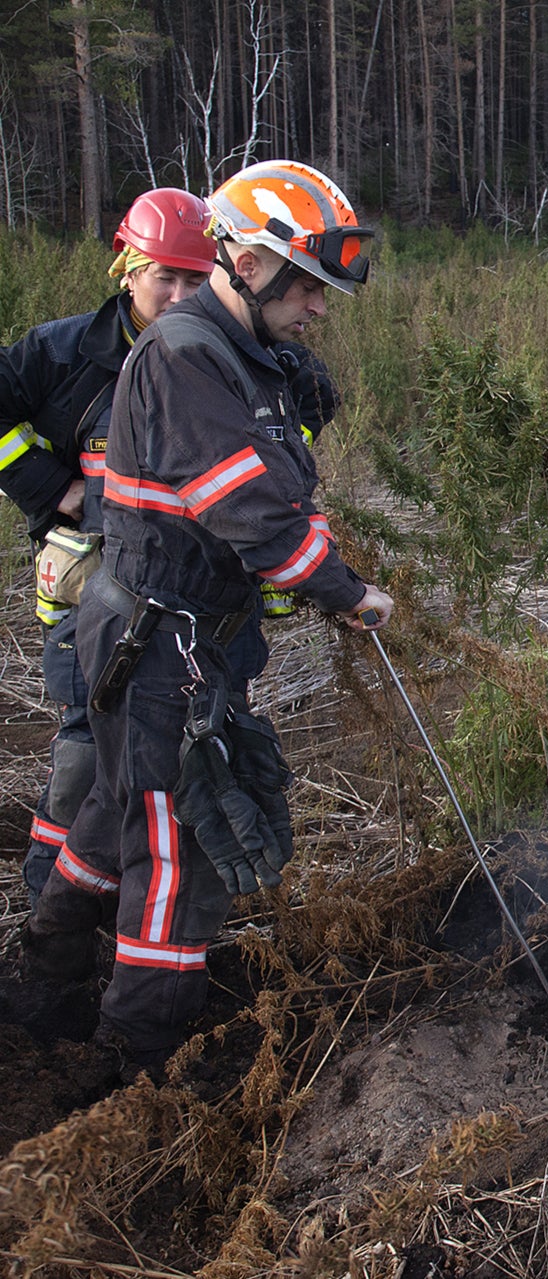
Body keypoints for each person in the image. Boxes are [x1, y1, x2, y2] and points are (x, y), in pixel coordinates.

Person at [24, 160, 394, 1074]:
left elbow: (279, 487)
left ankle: (42, 979)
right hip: (160, 644)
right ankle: (139, 1056)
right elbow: (246, 509)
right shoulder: (187, 354)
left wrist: (307, 554)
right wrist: (344, 591)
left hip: (177, 635)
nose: (318, 308)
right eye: (307, 287)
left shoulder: (246, 357)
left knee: (119, 809)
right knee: (178, 847)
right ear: (250, 264)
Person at [0, 189, 217, 903]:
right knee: (86, 742)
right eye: (166, 277)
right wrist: (49, 486)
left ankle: (136, 895)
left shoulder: (224, 356)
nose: (180, 296)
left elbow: (302, 408)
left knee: (177, 745)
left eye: (197, 279)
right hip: (88, 588)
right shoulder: (62, 353)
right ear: (128, 269)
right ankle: (51, 900)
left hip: (184, 592)